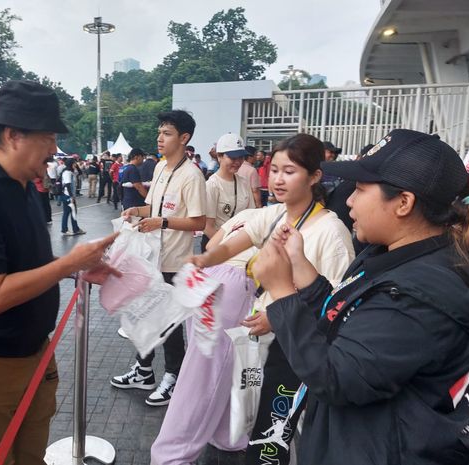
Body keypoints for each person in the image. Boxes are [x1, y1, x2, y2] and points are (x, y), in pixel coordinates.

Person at [252, 129, 469, 465]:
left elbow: (336, 378)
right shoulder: (393, 255)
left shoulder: (421, 292)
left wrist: (282, 292)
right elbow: (349, 322)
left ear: (404, 203)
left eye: (360, 190)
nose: (348, 200)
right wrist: (301, 269)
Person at [0, 80, 118, 465]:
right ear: (13, 135)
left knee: (30, 454)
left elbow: (29, 264)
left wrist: (77, 273)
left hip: (34, 350)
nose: (54, 149)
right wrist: (71, 262)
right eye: (49, 137)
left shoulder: (26, 189)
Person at [182, 133, 354, 465]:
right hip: (266, 346)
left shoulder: (331, 232)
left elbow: (334, 304)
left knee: (272, 439)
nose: (277, 179)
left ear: (315, 176)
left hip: (296, 354)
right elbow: (236, 241)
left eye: (289, 171)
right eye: (273, 169)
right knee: (259, 427)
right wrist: (204, 259)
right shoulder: (276, 215)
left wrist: (275, 317)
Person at [111, 110, 206, 407]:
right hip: (152, 257)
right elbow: (152, 206)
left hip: (175, 262)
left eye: (166, 133)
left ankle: (173, 376)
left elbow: (199, 222)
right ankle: (144, 371)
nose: (159, 138)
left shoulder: (192, 176)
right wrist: (135, 212)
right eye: (159, 132)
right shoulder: (162, 168)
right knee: (145, 317)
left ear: (184, 138)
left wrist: (161, 222)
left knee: (171, 325)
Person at [201, 133, 253, 252]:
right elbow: (207, 226)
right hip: (215, 244)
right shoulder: (212, 185)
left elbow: (250, 215)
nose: (238, 162)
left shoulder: (244, 183)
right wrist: (228, 247)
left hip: (238, 245)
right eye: (233, 158)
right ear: (219, 156)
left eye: (241, 157)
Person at [61, 157, 86, 236]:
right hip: (67, 195)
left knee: (73, 212)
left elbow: (80, 172)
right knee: (68, 212)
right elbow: (68, 185)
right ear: (71, 164)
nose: (76, 164)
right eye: (74, 163)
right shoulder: (67, 172)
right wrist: (71, 197)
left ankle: (75, 229)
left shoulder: (72, 171)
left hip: (70, 195)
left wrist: (76, 166)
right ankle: (65, 229)